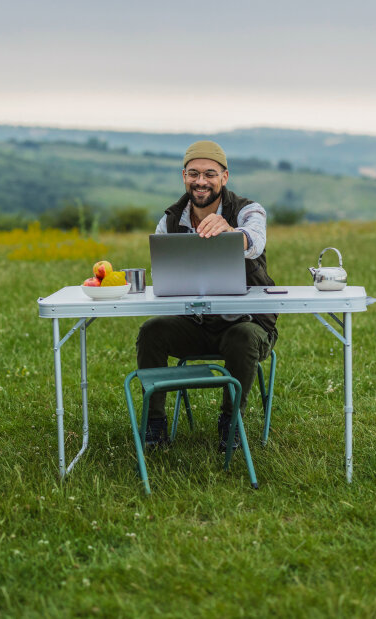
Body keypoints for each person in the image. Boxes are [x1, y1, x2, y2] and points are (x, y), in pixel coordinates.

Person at [135, 140, 278, 450]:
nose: (201, 181)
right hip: (196, 324)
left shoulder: (248, 210)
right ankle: (154, 425)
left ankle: (231, 422)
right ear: (184, 176)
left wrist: (229, 232)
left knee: (244, 337)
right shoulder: (170, 220)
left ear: (224, 178)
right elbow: (165, 271)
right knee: (152, 332)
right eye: (193, 173)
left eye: (210, 174)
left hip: (246, 322)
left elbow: (254, 241)